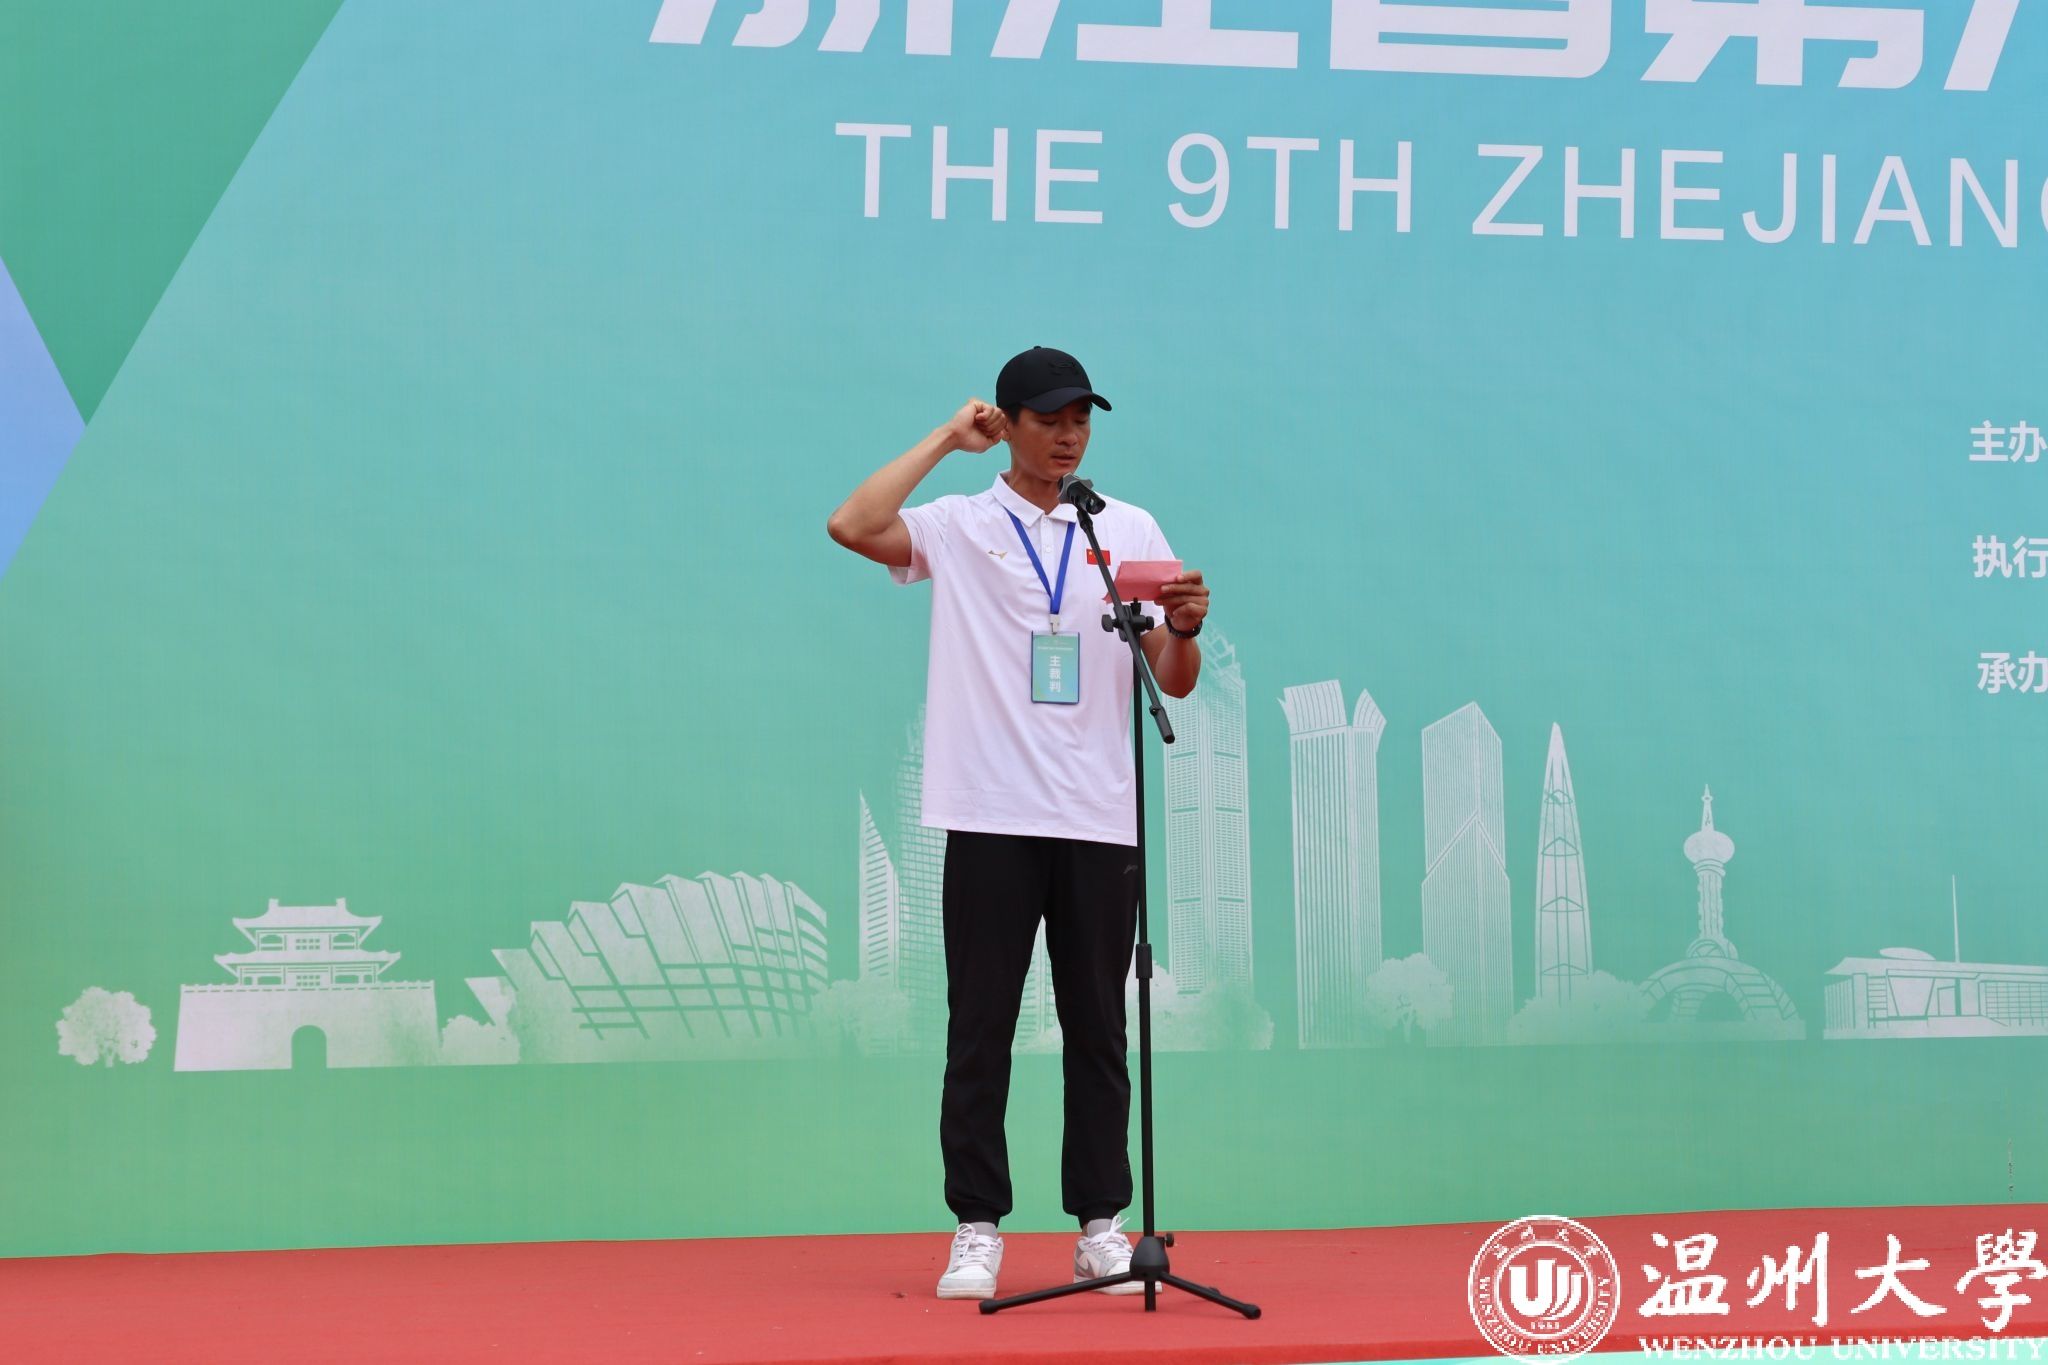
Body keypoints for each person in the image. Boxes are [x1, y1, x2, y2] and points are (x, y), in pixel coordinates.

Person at [826, 346, 1211, 1300]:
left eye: (1082, 419)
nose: (1070, 436)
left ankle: (1102, 1227)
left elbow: (1172, 680)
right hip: (989, 812)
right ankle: (977, 1226)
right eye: (1049, 419)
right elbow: (852, 524)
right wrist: (944, 441)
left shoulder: (1124, 527)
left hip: (1098, 816)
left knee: (1098, 1029)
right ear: (1008, 424)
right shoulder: (961, 524)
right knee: (981, 1025)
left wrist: (1184, 628)